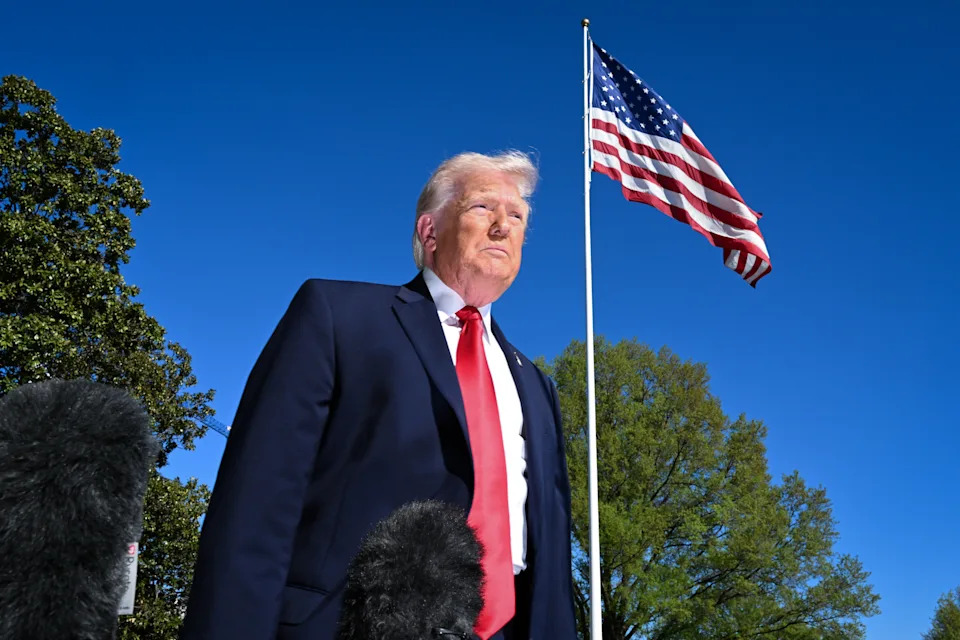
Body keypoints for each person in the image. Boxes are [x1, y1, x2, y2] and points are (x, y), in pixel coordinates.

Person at [180, 151, 578, 640]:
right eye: (482, 208)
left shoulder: (536, 386)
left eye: (516, 216)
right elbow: (257, 505)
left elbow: (552, 558)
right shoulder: (337, 316)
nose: (503, 226)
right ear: (429, 231)